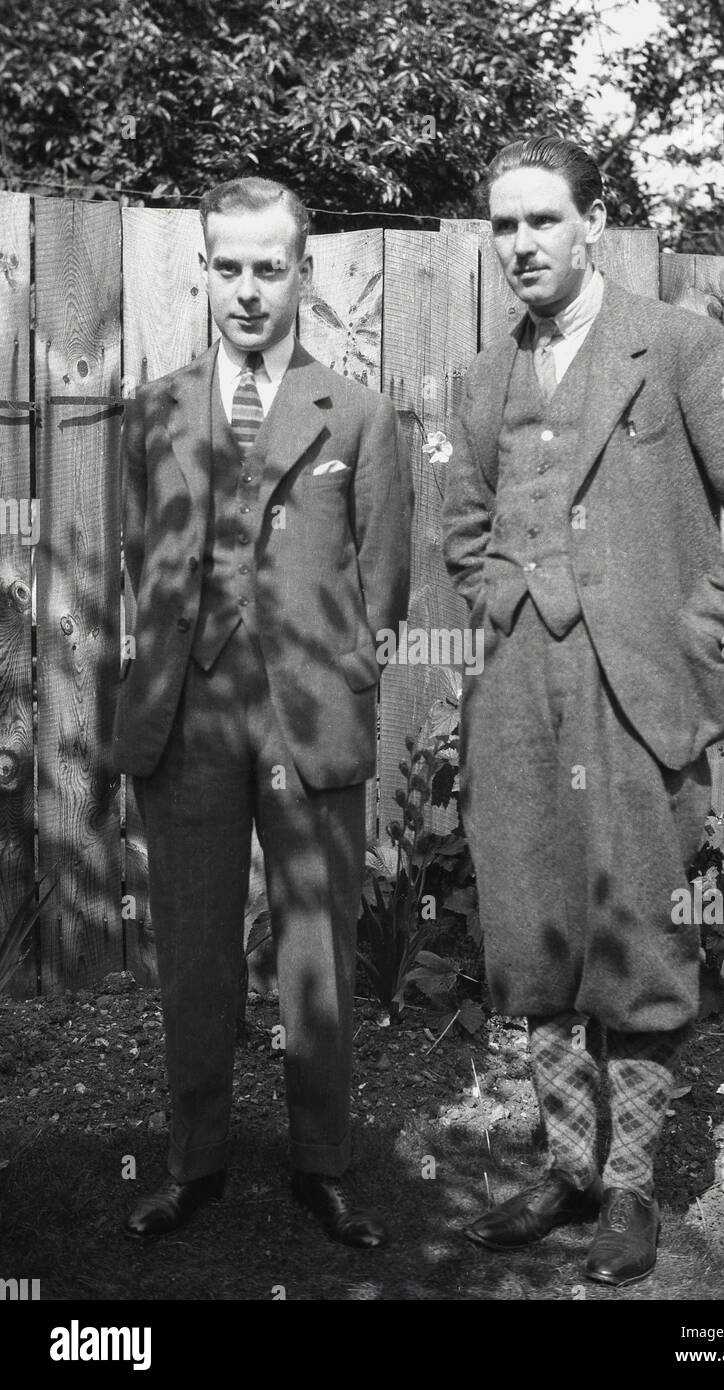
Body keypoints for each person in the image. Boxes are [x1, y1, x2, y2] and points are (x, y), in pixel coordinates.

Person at [442, 136, 724, 1285]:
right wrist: (503, 602)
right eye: (503, 227)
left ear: (589, 224)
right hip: (518, 698)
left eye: (541, 222)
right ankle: (564, 1168)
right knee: (531, 933)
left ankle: (630, 1189)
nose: (521, 246)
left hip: (637, 698)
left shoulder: (680, 345)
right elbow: (461, 525)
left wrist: (698, 633)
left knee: (640, 937)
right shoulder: (479, 377)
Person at [113, 177, 412, 1247]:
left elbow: (382, 583)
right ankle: (193, 1164)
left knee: (315, 950)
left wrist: (329, 673)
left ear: (302, 273)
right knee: (193, 951)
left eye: (268, 267)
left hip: (307, 715)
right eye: (227, 267)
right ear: (205, 270)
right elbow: (139, 556)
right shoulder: (152, 411)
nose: (247, 290)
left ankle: (319, 1166)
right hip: (187, 712)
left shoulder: (359, 414)